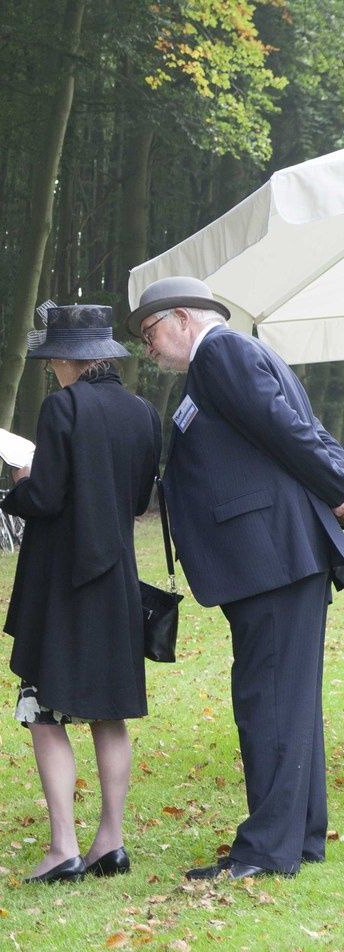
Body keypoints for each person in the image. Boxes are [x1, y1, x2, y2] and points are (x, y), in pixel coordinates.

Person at [129, 275, 344, 880]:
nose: (149, 347)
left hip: (270, 558)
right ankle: (300, 838)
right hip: (275, 558)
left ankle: (266, 852)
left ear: (184, 317)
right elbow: (298, 431)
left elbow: (288, 432)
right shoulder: (237, 354)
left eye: (150, 332)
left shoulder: (220, 353)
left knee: (266, 699)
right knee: (286, 699)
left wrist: (340, 489)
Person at [0, 304, 161, 885]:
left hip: (60, 583)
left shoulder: (62, 408)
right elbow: (138, 500)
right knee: (109, 713)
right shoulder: (145, 414)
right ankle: (110, 843)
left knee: (45, 713)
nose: (51, 370)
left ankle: (64, 847)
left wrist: (20, 481)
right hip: (115, 582)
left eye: (53, 360)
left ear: (69, 359)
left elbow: (45, 498)